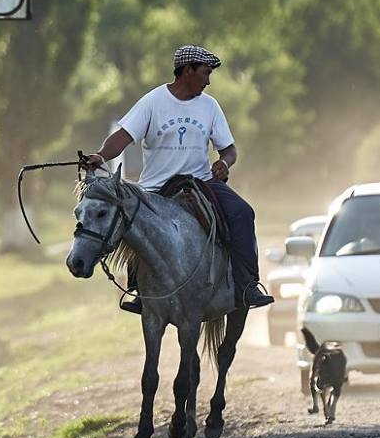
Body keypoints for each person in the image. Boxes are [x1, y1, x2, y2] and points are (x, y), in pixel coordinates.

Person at [79, 45, 274, 314]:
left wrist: (224, 163)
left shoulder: (210, 106)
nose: (208, 80)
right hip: (156, 188)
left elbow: (229, 149)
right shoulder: (153, 102)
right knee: (131, 220)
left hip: (201, 183)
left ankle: (246, 284)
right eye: (205, 73)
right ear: (187, 70)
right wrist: (100, 155)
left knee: (243, 213)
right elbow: (123, 137)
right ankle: (139, 290)